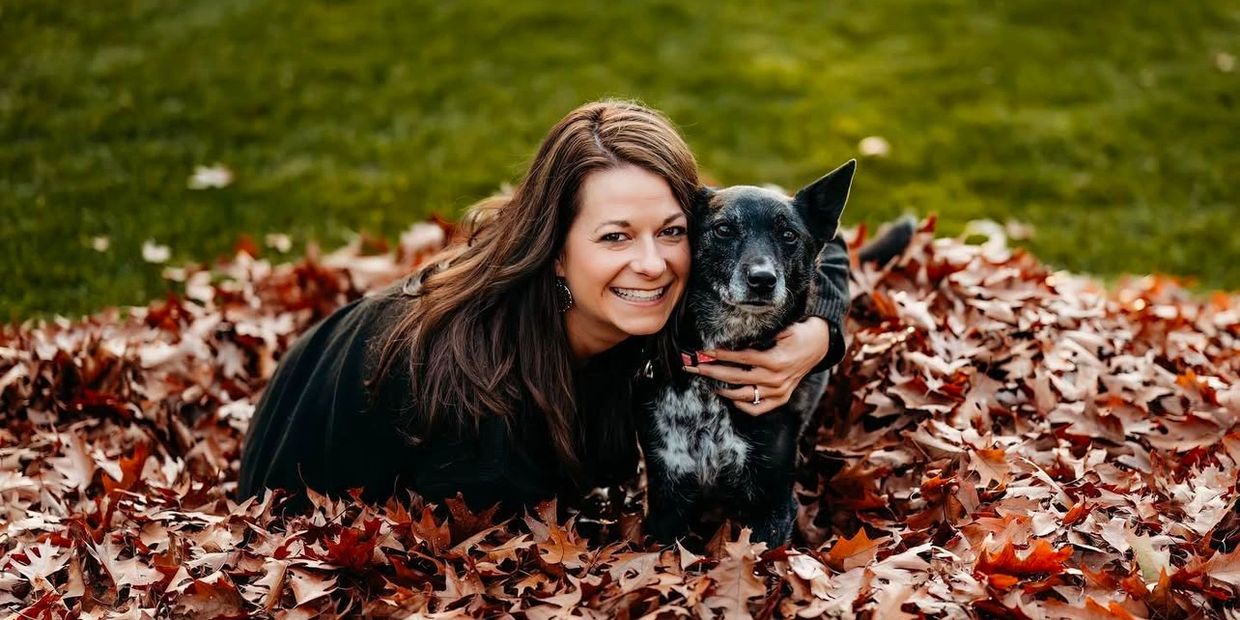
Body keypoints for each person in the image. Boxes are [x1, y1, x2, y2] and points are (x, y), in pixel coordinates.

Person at [236, 100, 850, 515]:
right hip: (319, 481)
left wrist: (820, 330)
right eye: (614, 237)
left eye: (669, 230)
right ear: (554, 250)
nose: (653, 263)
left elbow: (796, 226)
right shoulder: (477, 414)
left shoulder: (677, 265)